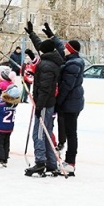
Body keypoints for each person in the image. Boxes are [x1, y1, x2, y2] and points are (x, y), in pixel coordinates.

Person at [42, 22, 85, 176]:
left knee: (70, 133)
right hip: (72, 102)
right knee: (68, 132)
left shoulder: (73, 65)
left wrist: (58, 103)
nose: (64, 49)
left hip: (71, 104)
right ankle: (69, 160)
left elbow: (66, 87)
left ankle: (71, 162)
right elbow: (61, 47)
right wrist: (52, 37)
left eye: (67, 48)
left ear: (71, 51)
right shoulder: (72, 59)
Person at [23, 21, 63, 177]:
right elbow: (43, 45)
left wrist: (39, 106)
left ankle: (40, 162)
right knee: (47, 132)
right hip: (47, 103)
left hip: (45, 104)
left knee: (39, 133)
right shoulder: (51, 59)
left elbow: (45, 89)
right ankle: (52, 164)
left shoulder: (46, 65)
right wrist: (32, 35)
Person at [0, 84, 20, 167]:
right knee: (6, 142)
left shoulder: (0, 105)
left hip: (0, 127)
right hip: (9, 127)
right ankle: (5, 158)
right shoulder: (14, 104)